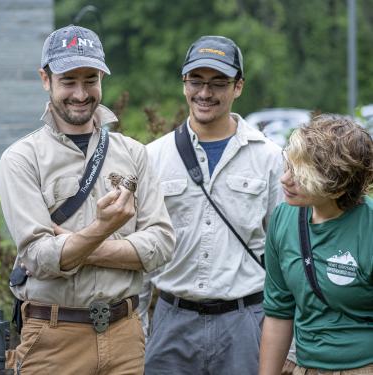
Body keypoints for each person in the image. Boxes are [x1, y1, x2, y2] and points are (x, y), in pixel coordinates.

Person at [0, 25, 174, 374]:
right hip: (52, 338)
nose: (81, 93)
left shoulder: (134, 154)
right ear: (45, 79)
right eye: (68, 81)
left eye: (90, 79)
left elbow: (162, 244)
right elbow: (38, 257)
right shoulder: (21, 159)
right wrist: (105, 230)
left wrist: (76, 244)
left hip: (125, 335)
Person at [143, 35, 283, 375]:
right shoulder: (152, 157)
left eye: (218, 83)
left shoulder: (269, 157)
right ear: (184, 83)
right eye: (196, 81)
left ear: (238, 87)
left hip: (246, 322)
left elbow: (285, 252)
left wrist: (288, 344)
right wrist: (138, 330)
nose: (205, 93)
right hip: (171, 321)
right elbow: (142, 252)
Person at [260, 114, 373, 375]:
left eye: (300, 176)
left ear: (337, 187)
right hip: (306, 365)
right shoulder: (283, 218)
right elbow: (279, 311)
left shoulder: (367, 226)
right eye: (288, 166)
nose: (284, 180)